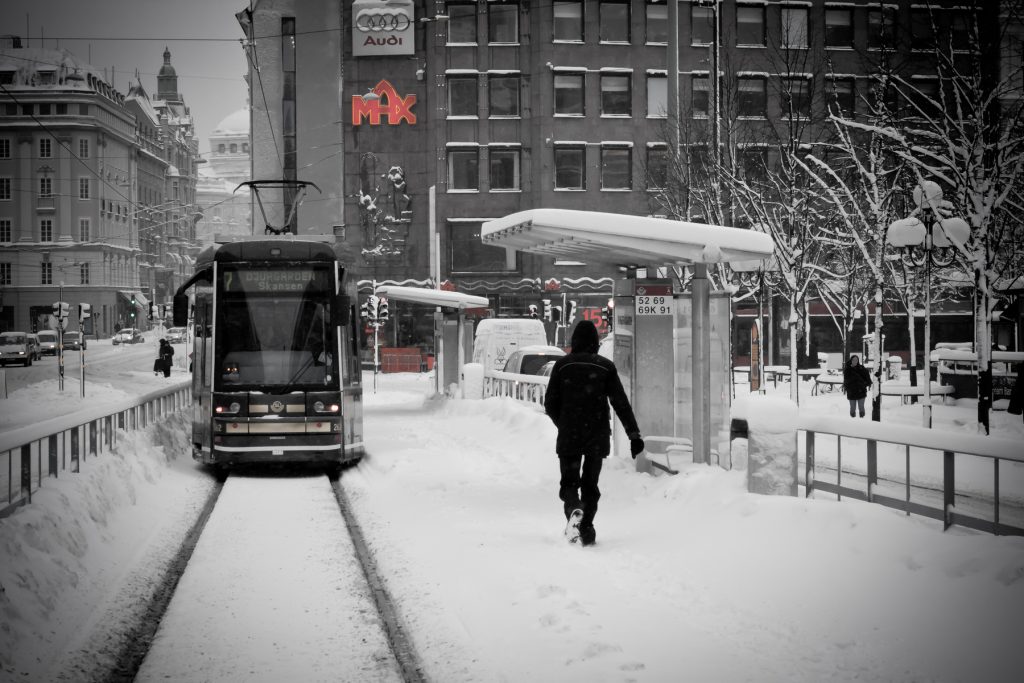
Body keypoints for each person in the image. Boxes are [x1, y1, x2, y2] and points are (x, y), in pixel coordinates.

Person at [543, 320, 644, 546]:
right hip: (596, 437)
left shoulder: (562, 366)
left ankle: (574, 508)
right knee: (590, 485)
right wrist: (634, 435)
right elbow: (621, 403)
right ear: (596, 343)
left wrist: (565, 423)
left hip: (569, 436)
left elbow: (549, 403)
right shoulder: (605, 367)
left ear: (574, 341)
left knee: (569, 483)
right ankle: (587, 527)